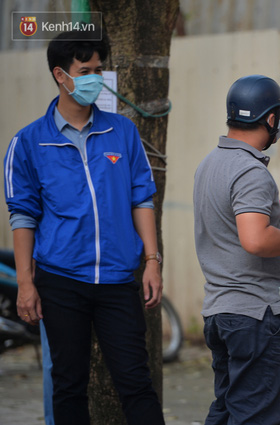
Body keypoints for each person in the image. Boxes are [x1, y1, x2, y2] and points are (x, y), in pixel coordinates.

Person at [3, 30, 165, 425]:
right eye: (85, 70)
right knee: (69, 384)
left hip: (117, 280)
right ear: (61, 75)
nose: (95, 77)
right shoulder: (28, 143)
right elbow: (23, 215)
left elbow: (141, 198)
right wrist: (26, 283)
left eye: (98, 69)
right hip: (60, 282)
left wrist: (152, 261)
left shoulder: (122, 132)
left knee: (135, 382)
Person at [193, 74, 280, 424]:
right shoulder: (250, 172)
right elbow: (256, 239)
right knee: (255, 415)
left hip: (220, 311)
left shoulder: (209, 164)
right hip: (256, 313)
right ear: (269, 119)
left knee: (227, 408)